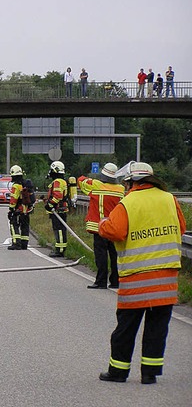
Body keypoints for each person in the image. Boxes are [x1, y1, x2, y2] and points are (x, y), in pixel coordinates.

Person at [98, 161, 185, 384]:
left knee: (125, 329)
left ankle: (118, 372)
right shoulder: (170, 199)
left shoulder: (129, 202)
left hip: (136, 279)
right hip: (166, 279)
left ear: (131, 182)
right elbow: (181, 228)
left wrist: (103, 224)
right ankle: (149, 374)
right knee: (157, 329)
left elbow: (115, 231)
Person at [78, 163, 124, 289]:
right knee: (115, 254)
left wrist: (91, 179)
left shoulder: (96, 185)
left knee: (101, 255)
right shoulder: (121, 189)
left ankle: (101, 281)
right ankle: (115, 281)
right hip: (114, 227)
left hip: (99, 227)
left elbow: (80, 180)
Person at [44, 160, 69, 257]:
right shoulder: (61, 181)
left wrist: (49, 205)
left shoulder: (58, 182)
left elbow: (57, 196)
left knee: (59, 229)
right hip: (60, 210)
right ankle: (60, 248)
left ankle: (60, 250)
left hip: (58, 210)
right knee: (59, 229)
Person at [7, 165, 32, 251]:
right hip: (26, 210)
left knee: (14, 225)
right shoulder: (26, 184)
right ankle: (24, 244)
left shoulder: (16, 186)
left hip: (18, 210)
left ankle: (16, 243)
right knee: (25, 226)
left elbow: (14, 199)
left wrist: (11, 209)